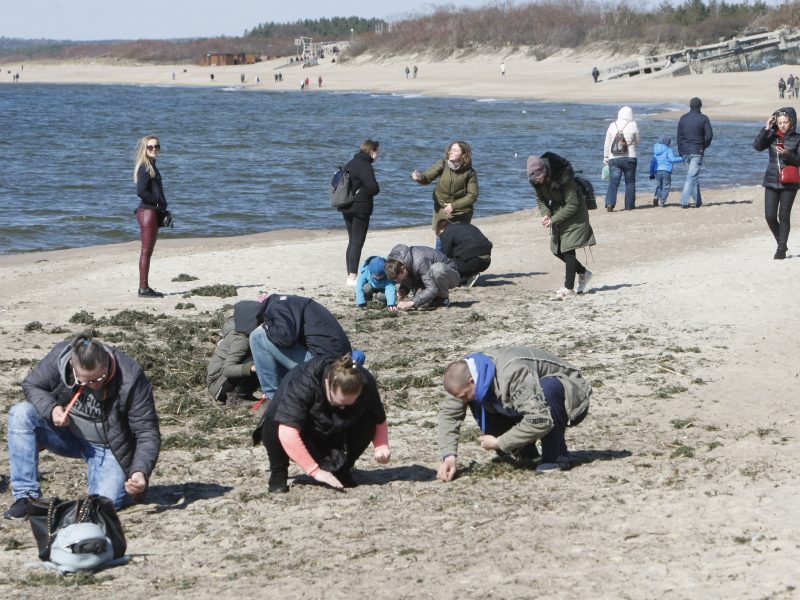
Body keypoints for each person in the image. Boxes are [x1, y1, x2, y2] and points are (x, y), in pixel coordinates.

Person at [4, 333, 161, 519]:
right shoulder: (60, 357)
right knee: (21, 413)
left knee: (103, 505)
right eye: (82, 380)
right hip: (65, 435)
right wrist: (52, 409)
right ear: (72, 365)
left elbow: (147, 432)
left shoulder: (130, 376)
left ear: (107, 363)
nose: (91, 385)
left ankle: (117, 488)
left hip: (108, 447)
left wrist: (140, 471)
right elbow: (32, 385)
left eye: (97, 379)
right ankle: (26, 498)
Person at [437, 346, 591, 481]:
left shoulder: (511, 372)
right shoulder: (463, 375)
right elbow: (450, 414)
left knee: (548, 388)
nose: (462, 400)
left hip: (573, 395)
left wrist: (500, 443)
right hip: (526, 402)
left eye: (463, 395)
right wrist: (449, 456)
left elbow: (540, 419)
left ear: (471, 380)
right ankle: (527, 454)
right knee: (478, 397)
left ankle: (556, 457)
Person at [257, 353, 391, 493]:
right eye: (339, 403)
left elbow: (378, 418)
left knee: (367, 417)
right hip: (304, 430)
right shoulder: (303, 382)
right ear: (327, 383)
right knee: (275, 417)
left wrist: (381, 446)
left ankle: (341, 470)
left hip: (338, 428)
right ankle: (278, 473)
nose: (343, 407)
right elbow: (287, 433)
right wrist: (314, 471)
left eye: (348, 403)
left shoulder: (366, 382)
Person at [248, 293, 354, 401]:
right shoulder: (292, 303)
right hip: (341, 363)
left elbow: (285, 338)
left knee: (258, 336)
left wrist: (266, 325)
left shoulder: (275, 306)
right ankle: (290, 390)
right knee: (272, 338)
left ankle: (275, 399)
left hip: (325, 367)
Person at [527, 153, 595, 301]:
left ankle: (568, 288)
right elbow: (541, 200)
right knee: (556, 250)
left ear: (545, 172)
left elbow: (573, 204)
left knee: (568, 249)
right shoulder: (536, 182)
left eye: (539, 179)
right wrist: (545, 214)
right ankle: (583, 273)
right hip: (558, 210)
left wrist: (554, 219)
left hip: (576, 213)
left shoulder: (565, 179)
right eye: (534, 180)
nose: (537, 182)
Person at [753, 107, 800, 260]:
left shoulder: (797, 138)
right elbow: (757, 146)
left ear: (791, 122)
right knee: (770, 216)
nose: (782, 125)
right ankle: (782, 242)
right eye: (779, 123)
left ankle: (781, 250)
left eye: (785, 122)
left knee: (784, 216)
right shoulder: (772, 136)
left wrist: (788, 153)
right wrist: (766, 128)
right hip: (771, 180)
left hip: (790, 182)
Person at [411, 141, 479, 243]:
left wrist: (453, 206)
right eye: (450, 149)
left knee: (458, 243)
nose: (451, 152)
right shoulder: (442, 164)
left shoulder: (470, 172)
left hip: (462, 213)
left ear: (463, 154)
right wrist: (419, 177)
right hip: (442, 211)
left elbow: (472, 195)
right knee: (441, 242)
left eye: (455, 150)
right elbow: (427, 177)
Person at [340, 140, 380, 286]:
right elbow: (374, 188)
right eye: (377, 152)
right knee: (357, 241)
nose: (378, 155)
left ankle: (350, 275)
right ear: (372, 151)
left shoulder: (351, 163)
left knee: (352, 241)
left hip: (346, 205)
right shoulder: (365, 166)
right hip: (360, 208)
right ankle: (352, 277)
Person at [207, 300, 263, 406]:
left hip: (220, 382)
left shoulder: (242, 332)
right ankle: (236, 397)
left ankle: (245, 394)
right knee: (259, 360)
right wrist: (251, 368)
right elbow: (227, 370)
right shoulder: (241, 339)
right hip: (219, 387)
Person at [133, 134, 168, 298]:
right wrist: (157, 202)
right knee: (146, 251)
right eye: (150, 147)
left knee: (147, 251)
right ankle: (143, 288)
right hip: (147, 212)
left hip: (150, 212)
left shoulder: (152, 165)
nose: (154, 149)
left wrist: (162, 206)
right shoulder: (145, 167)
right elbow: (141, 191)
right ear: (144, 149)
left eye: (156, 147)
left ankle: (144, 287)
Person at [385, 244, 460, 309]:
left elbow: (432, 289)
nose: (399, 281)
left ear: (403, 269)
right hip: (430, 278)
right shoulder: (401, 262)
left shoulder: (420, 261)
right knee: (422, 304)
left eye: (399, 279)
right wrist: (403, 290)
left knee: (437, 269)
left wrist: (411, 302)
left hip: (450, 275)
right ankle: (435, 298)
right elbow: (409, 275)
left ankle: (443, 298)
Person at [677, 97, 713, 209]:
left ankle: (698, 201)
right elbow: (710, 135)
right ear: (700, 106)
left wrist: (680, 151)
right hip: (697, 150)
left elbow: (678, 137)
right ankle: (684, 202)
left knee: (692, 176)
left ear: (690, 106)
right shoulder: (703, 118)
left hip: (685, 150)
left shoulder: (683, 118)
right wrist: (705, 145)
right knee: (691, 177)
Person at [603, 106, 640, 211]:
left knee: (613, 182)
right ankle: (629, 206)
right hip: (630, 158)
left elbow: (607, 143)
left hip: (613, 158)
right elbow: (637, 141)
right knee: (630, 182)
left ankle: (610, 203)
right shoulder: (633, 125)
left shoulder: (612, 125)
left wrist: (605, 157)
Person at [435, 219, 493, 287]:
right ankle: (471, 273)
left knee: (446, 264)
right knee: (461, 253)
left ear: (440, 230)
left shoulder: (446, 232)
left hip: (473, 261)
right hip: (486, 261)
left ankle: (464, 279)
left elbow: (445, 255)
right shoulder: (467, 226)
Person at [649, 136, 684, 207]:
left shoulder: (656, 151)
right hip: (666, 171)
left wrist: (651, 174)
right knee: (666, 186)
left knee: (659, 186)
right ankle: (662, 202)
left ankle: (656, 197)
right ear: (667, 142)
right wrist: (682, 158)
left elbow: (653, 163)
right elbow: (672, 159)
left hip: (657, 171)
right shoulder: (668, 150)